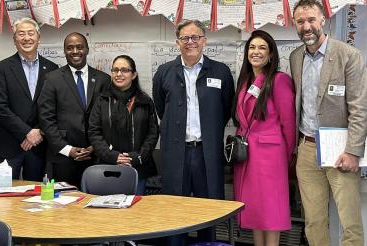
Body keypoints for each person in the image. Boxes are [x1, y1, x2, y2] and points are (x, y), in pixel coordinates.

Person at [290, 0, 367, 245]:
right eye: (301, 22)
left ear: (323, 20)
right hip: (307, 149)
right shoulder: (295, 57)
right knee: (314, 221)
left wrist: (354, 151)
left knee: (350, 221)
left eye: (311, 20)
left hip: (340, 150)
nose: (306, 26)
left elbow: (359, 107)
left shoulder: (348, 55)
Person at [152, 20, 234, 244]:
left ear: (204, 40)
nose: (191, 42)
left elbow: (225, 109)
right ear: (177, 42)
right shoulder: (164, 72)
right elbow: (161, 108)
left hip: (206, 154)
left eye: (195, 37)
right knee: (174, 210)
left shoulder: (221, 71)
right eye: (185, 38)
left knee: (208, 210)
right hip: (176, 152)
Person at [232, 30, 295, 246]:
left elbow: (288, 125)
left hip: (270, 157)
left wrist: (284, 159)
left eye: (262, 48)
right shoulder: (245, 81)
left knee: (271, 211)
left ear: (270, 55)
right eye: (252, 47)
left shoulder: (279, 80)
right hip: (247, 155)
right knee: (255, 210)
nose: (256, 52)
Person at [38, 32, 110, 187]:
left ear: (87, 49)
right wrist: (67, 149)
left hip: (95, 156)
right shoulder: (52, 79)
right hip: (62, 157)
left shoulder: (103, 79)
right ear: (64, 51)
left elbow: (109, 119)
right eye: (70, 48)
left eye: (80, 47)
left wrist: (95, 147)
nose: (75, 51)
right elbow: (46, 119)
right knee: (63, 208)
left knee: (93, 204)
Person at [0, 17, 58, 181]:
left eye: (31, 33)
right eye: (21, 34)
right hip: (9, 145)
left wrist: (38, 132)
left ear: (39, 38)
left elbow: (53, 107)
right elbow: (0, 107)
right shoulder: (2, 68)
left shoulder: (52, 68)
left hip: (38, 146)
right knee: (3, 198)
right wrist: (26, 132)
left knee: (36, 199)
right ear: (14, 40)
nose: (26, 38)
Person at [88, 55, 158, 195]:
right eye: (115, 70)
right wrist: (112, 156)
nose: (119, 74)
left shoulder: (145, 101)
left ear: (134, 75)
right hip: (107, 166)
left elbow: (153, 133)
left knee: (134, 212)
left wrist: (137, 157)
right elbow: (94, 132)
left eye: (124, 70)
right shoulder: (102, 100)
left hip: (138, 166)